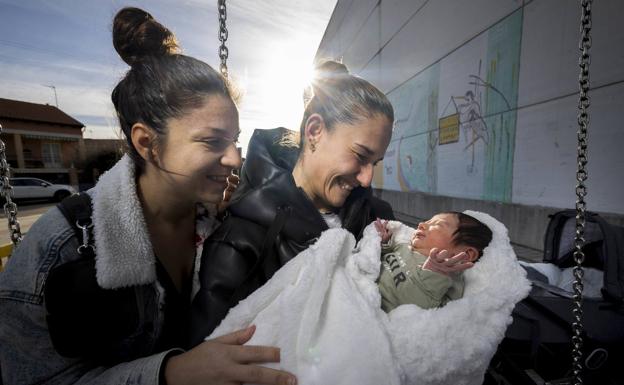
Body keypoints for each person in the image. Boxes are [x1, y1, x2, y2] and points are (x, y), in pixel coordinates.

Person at [0, 7, 297, 385]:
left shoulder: (221, 218)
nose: (235, 158)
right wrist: (170, 373)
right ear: (147, 143)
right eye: (213, 141)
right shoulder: (63, 248)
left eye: (235, 140)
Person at [191, 61, 396, 345]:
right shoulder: (242, 240)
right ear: (315, 132)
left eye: (375, 162)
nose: (367, 178)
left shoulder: (379, 221)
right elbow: (213, 360)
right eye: (361, 156)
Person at [374, 212, 493, 312]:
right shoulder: (405, 246)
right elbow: (381, 258)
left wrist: (433, 274)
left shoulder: (447, 277)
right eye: (427, 221)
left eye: (438, 225)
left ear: (466, 254)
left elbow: (415, 312)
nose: (421, 225)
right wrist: (383, 243)